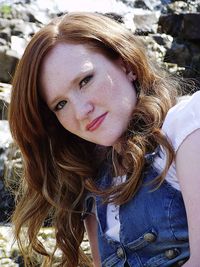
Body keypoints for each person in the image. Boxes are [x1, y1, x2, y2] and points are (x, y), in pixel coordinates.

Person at [8, 12, 200, 267]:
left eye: (85, 80)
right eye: (61, 104)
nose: (80, 111)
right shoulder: (95, 183)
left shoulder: (187, 126)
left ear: (126, 65)